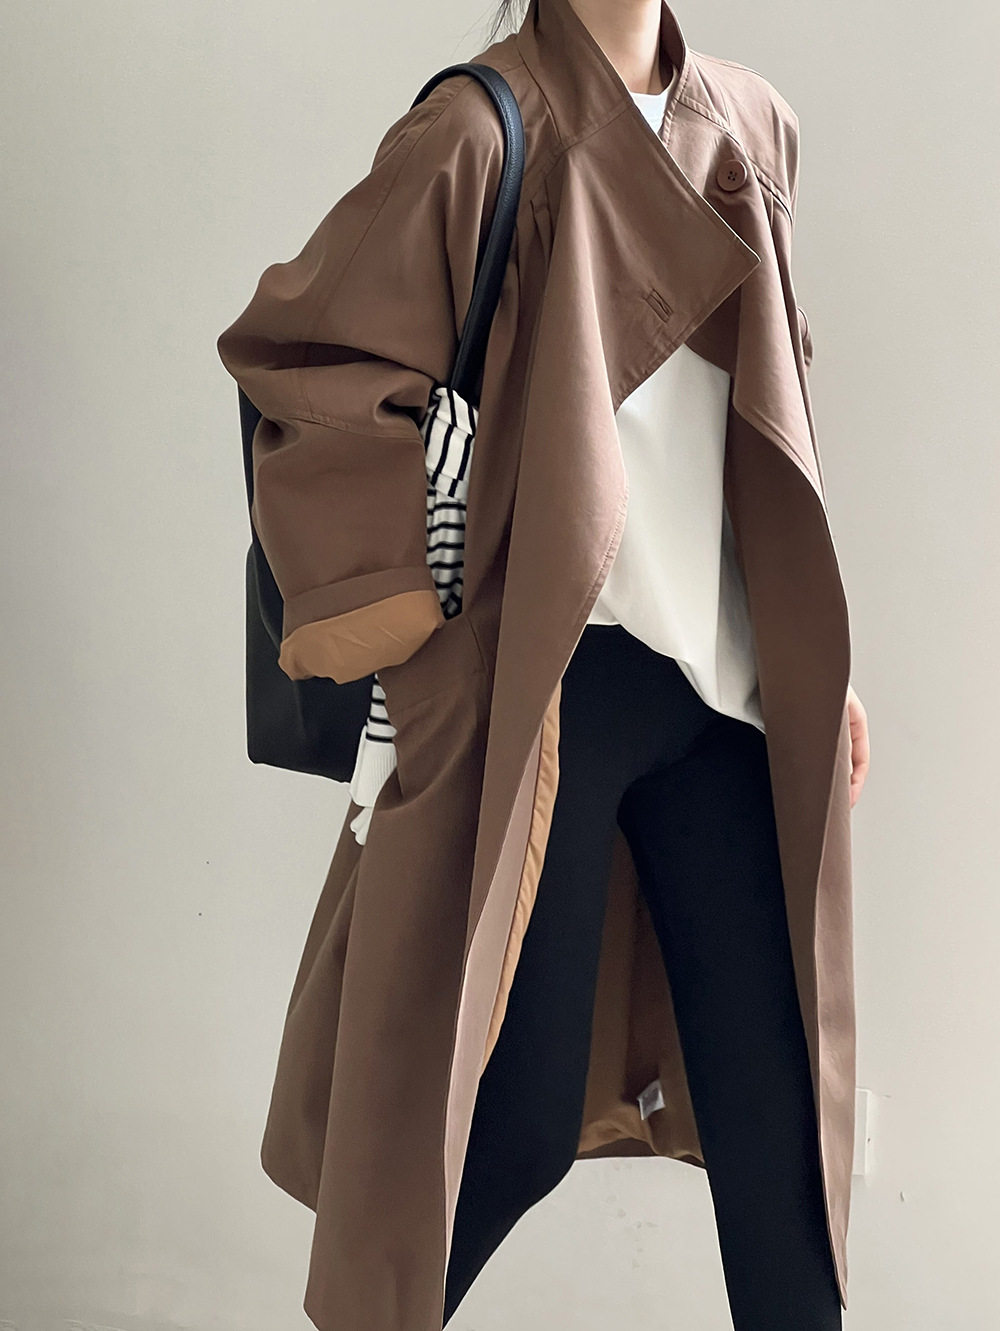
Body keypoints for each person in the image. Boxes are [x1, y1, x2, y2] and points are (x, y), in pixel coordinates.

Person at [217, 2, 871, 1328]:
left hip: (724, 693)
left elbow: (770, 417)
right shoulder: (477, 132)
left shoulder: (752, 125)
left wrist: (818, 662)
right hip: (554, 687)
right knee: (505, 1124)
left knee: (784, 1140)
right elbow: (308, 365)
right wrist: (411, 613)